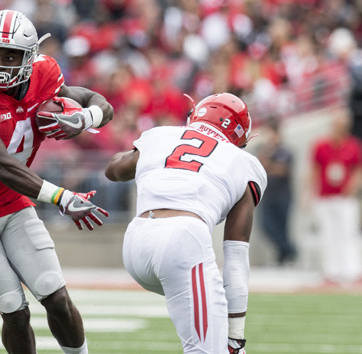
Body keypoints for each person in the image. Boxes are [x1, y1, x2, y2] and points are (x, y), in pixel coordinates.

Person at [0, 10, 113, 354]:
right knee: (14, 310)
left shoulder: (44, 74)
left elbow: (100, 103)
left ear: (29, 57)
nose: (1, 63)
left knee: (56, 295)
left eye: (11, 55)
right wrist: (62, 197)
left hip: (14, 203)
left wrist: (83, 118)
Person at [105, 93, 267, 354]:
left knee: (201, 316)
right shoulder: (245, 162)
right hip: (182, 243)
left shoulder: (160, 135)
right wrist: (235, 337)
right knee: (210, 349)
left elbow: (113, 170)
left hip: (135, 243)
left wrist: (147, 151)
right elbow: (235, 257)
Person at [307, 110, 362, 286]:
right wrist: (310, 192)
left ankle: (354, 270)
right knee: (328, 234)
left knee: (349, 232)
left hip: (345, 198)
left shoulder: (354, 145)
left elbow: (360, 169)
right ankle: (331, 271)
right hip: (325, 196)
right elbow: (314, 169)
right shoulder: (321, 145)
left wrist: (353, 186)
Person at [255, 121, 297, 266]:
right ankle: (290, 251)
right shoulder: (263, 149)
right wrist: (269, 155)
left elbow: (283, 170)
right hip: (267, 195)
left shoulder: (285, 151)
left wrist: (269, 166)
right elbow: (259, 166)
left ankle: (284, 256)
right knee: (267, 227)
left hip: (283, 195)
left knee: (282, 227)